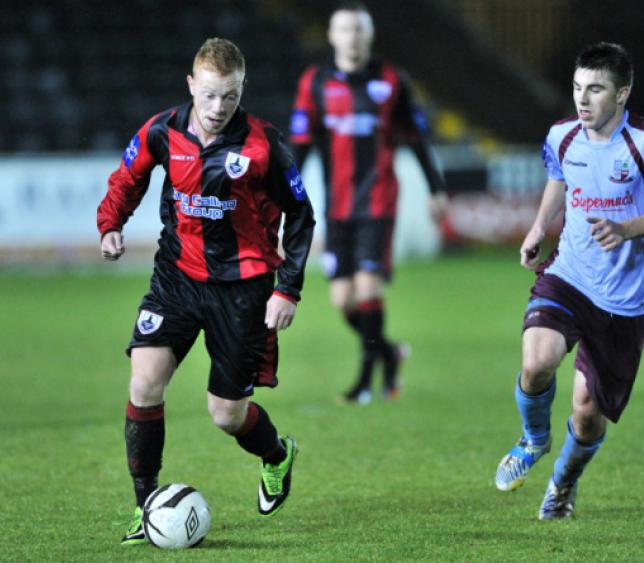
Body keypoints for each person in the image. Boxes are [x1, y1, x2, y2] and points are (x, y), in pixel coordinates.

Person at [97, 38, 315, 544]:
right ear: (191, 85)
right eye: (211, 95)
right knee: (145, 381)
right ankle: (143, 506)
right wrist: (111, 223)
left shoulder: (265, 145)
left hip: (243, 290)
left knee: (226, 414)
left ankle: (277, 455)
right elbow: (127, 178)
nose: (219, 108)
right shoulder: (161, 130)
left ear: (243, 90)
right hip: (176, 277)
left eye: (232, 96)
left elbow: (301, 216)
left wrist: (288, 289)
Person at [494, 42, 644, 519]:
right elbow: (559, 179)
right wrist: (540, 227)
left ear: (622, 93)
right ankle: (533, 439)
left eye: (596, 90)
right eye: (577, 88)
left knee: (586, 417)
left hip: (622, 300)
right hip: (569, 274)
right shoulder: (562, 134)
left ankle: (564, 482)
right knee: (537, 358)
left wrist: (627, 228)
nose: (583, 100)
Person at [289, 1, 447, 405]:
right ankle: (389, 353)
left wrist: (435, 189)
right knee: (343, 300)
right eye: (345, 29)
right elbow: (301, 146)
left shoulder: (391, 80)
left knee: (366, 289)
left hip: (378, 202)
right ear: (331, 35)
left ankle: (364, 382)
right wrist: (285, 197)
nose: (352, 37)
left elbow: (417, 139)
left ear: (369, 35)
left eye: (359, 30)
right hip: (337, 205)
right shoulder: (316, 81)